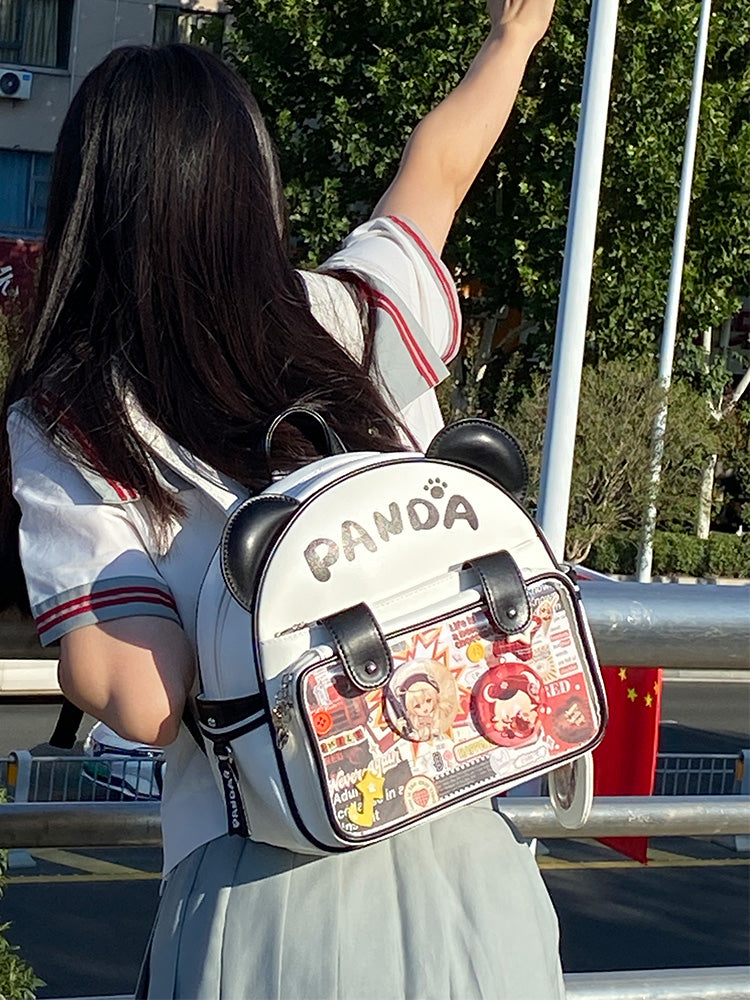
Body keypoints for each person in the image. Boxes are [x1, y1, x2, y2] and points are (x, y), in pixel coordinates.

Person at [1, 1, 566, 996]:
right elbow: (437, 173)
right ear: (252, 185)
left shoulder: (73, 414)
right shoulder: (351, 313)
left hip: (265, 900)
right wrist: (511, 37)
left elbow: (145, 699)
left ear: (87, 206)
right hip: (475, 870)